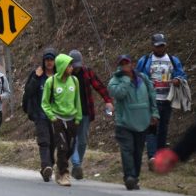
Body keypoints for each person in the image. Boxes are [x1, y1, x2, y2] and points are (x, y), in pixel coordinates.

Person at [108, 55, 159, 190]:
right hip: (124, 123)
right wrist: (125, 80)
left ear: (132, 64)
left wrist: (154, 113)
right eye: (122, 63)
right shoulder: (115, 80)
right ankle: (129, 176)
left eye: (127, 63)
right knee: (127, 150)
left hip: (142, 122)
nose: (125, 65)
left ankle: (134, 177)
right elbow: (118, 94)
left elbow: (152, 94)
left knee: (138, 151)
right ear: (119, 66)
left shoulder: (142, 78)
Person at [136, 33, 187, 168]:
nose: (160, 48)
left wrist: (177, 80)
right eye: (158, 46)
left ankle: (160, 157)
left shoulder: (172, 59)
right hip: (151, 100)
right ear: (152, 46)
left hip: (167, 99)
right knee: (152, 128)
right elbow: (137, 76)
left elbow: (181, 74)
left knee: (163, 128)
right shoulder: (145, 60)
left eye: (162, 45)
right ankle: (152, 157)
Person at [68, 50, 114, 179]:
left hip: (85, 112)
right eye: (74, 65)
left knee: (82, 141)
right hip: (70, 113)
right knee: (73, 140)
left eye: (78, 65)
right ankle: (76, 165)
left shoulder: (87, 72)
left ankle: (78, 165)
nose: (76, 68)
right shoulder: (65, 74)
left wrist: (108, 101)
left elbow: (99, 86)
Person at [41, 54, 82, 186]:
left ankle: (59, 168)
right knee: (62, 147)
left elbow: (77, 101)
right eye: (69, 65)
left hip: (72, 119)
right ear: (62, 67)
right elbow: (45, 103)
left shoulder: (74, 80)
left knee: (70, 148)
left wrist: (78, 117)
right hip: (57, 118)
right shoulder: (51, 82)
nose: (71, 67)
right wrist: (52, 117)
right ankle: (64, 174)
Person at [23, 48, 57, 181]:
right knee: (44, 142)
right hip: (40, 114)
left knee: (53, 143)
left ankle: (48, 166)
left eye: (51, 60)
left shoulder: (59, 76)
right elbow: (28, 92)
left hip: (55, 115)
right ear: (44, 61)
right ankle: (46, 166)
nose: (49, 62)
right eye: (47, 60)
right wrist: (36, 77)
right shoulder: (37, 74)